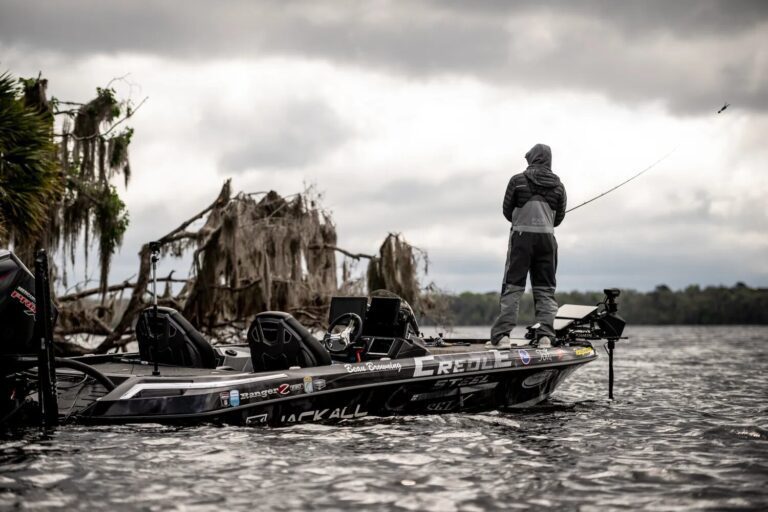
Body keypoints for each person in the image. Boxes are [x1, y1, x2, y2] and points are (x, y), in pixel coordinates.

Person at [488, 143, 566, 349]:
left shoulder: (517, 181)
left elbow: (507, 211)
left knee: (513, 287)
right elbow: (558, 219)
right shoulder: (559, 186)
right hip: (547, 241)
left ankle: (502, 337)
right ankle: (545, 337)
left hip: (521, 240)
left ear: (532, 158)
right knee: (545, 289)